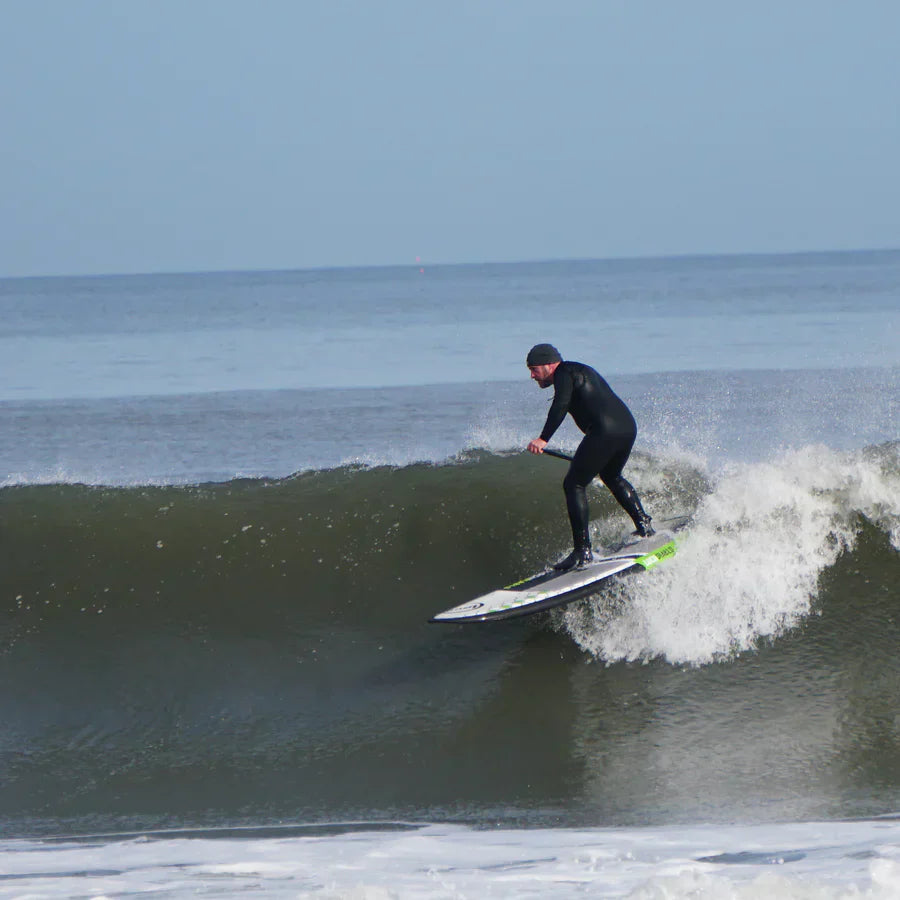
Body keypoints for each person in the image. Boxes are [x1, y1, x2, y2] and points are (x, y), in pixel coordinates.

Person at [525, 343, 653, 571]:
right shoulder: (581, 370)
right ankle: (644, 525)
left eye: (534, 369)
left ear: (549, 364)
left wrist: (543, 439)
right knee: (611, 476)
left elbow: (560, 404)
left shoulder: (563, 371)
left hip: (604, 431)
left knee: (573, 484)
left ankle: (582, 551)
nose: (532, 375)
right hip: (627, 427)